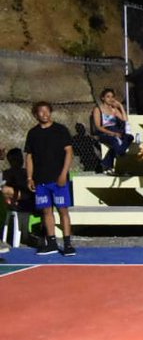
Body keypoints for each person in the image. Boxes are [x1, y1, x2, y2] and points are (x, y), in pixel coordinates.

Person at [24, 102, 75, 256]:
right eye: (41, 112)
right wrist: (29, 177)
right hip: (41, 181)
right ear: (36, 114)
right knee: (46, 211)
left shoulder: (60, 130)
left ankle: (67, 244)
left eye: (47, 111)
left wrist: (63, 174)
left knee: (63, 210)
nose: (44, 114)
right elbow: (29, 156)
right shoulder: (33, 133)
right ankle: (51, 242)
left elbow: (69, 152)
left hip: (58, 179)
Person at [91, 87, 133, 175]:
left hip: (116, 131)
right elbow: (98, 126)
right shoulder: (98, 109)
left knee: (130, 137)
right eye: (108, 96)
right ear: (103, 98)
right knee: (116, 142)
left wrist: (120, 106)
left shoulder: (113, 109)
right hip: (105, 132)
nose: (111, 99)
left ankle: (105, 163)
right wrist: (112, 133)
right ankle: (115, 166)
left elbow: (125, 119)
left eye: (112, 97)